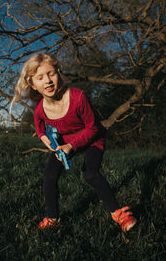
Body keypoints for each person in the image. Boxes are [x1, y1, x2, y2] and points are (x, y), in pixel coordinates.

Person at [10, 53, 136, 232]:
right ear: (33, 84)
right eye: (40, 77)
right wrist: (45, 139)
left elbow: (92, 128)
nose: (48, 80)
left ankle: (119, 214)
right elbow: (39, 127)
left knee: (90, 174)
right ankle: (53, 219)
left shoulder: (78, 97)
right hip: (66, 143)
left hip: (92, 137)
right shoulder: (40, 110)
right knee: (49, 175)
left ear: (58, 73)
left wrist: (71, 146)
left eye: (51, 73)